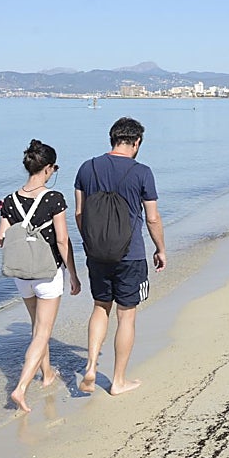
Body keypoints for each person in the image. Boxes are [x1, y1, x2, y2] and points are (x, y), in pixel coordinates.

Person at [74, 117, 166, 395]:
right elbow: (152, 218)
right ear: (136, 143)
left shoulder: (86, 168)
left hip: (97, 253)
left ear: (112, 139)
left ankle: (90, 366)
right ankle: (118, 380)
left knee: (100, 307)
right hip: (131, 255)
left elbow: (80, 214)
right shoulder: (142, 172)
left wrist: (92, 243)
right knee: (126, 316)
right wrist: (160, 248)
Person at [0, 139, 81, 413]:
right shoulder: (54, 199)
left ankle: (47, 376)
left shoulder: (9, 200)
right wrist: (73, 275)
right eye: (54, 168)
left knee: (37, 328)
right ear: (47, 168)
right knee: (43, 331)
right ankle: (20, 388)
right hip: (47, 272)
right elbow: (63, 241)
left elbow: (1, 239)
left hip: (22, 275)